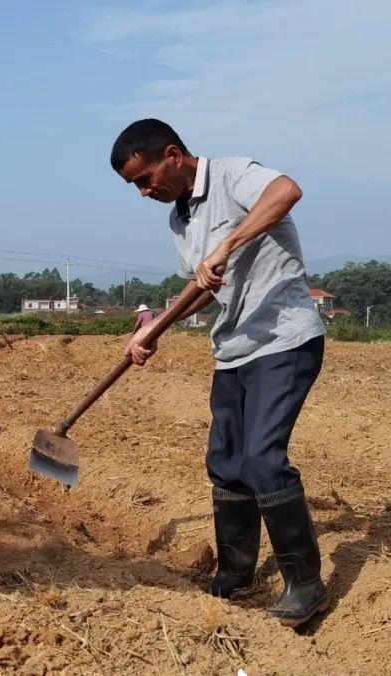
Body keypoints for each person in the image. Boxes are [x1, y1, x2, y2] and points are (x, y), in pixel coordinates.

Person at [112, 118, 327, 627]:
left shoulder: (234, 176)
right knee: (226, 460)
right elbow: (205, 285)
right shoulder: (179, 221)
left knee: (262, 459)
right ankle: (236, 573)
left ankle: (307, 583)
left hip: (283, 339)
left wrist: (227, 245)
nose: (144, 192)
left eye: (145, 179)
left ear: (172, 155)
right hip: (233, 348)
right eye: (134, 187)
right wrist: (155, 328)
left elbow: (287, 191)